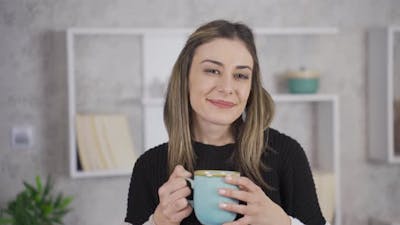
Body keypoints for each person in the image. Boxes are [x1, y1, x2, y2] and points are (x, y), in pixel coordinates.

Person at [125, 20, 327, 225]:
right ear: (185, 78)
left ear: (251, 87)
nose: (227, 87)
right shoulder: (149, 166)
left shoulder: (285, 154)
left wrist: (283, 223)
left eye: (240, 75)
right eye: (212, 71)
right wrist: (156, 223)